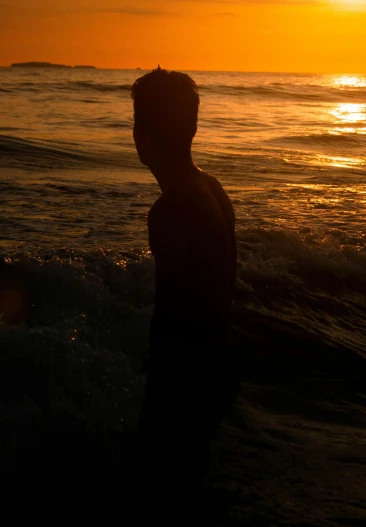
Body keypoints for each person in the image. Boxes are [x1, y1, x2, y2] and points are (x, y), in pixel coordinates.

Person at [131, 67, 239, 515]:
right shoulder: (210, 188)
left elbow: (172, 317)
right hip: (216, 365)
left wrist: (158, 401)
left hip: (185, 378)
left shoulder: (170, 209)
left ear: (141, 131)